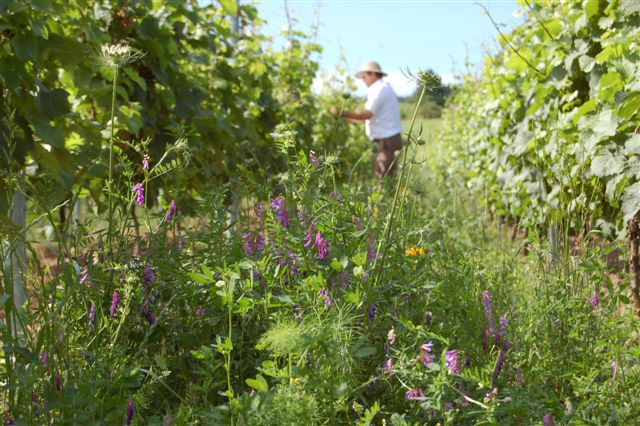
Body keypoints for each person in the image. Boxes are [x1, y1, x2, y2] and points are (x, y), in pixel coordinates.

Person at [331, 61, 403, 179]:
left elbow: (366, 115)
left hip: (386, 141)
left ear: (373, 74)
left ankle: (385, 197)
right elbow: (366, 120)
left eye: (364, 77)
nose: (363, 81)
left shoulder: (378, 88)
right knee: (385, 176)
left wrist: (341, 112)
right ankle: (387, 196)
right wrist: (343, 117)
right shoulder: (385, 88)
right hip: (388, 139)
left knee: (383, 179)